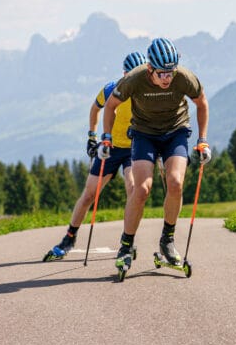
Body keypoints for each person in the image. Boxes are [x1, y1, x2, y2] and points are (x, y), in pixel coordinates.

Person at [98, 37, 211, 274]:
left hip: (175, 132)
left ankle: (167, 240)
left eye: (171, 72)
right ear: (150, 68)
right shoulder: (134, 79)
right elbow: (109, 106)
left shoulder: (184, 77)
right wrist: (106, 137)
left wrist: (202, 141)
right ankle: (126, 245)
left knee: (176, 182)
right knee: (142, 189)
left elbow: (201, 104)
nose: (167, 78)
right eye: (162, 74)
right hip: (144, 134)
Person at [42, 51, 147, 261]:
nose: (135, 78)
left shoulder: (146, 92)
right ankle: (69, 238)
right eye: (131, 74)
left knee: (133, 188)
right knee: (89, 194)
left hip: (133, 149)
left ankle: (128, 240)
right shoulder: (111, 89)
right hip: (110, 148)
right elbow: (95, 109)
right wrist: (92, 136)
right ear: (124, 73)